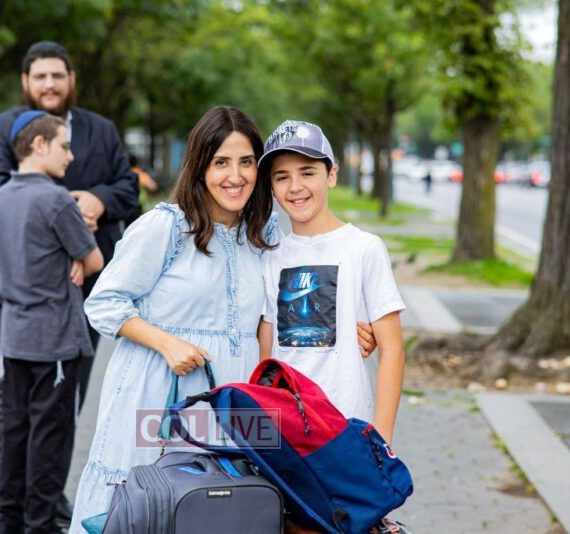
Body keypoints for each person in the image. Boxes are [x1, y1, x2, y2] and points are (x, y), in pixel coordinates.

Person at [69, 107, 377, 533]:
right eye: (221, 162)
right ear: (200, 167)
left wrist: (348, 331)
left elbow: (285, 310)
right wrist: (166, 343)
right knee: (149, 505)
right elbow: (104, 302)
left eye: (246, 162)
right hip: (160, 394)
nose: (235, 176)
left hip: (237, 401)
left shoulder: (266, 233)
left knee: (224, 507)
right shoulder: (166, 227)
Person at [0, 41, 138, 532]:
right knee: (12, 399)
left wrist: (97, 200)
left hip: (82, 292)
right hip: (19, 287)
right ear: (26, 82)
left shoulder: (100, 129)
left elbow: (127, 188)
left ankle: (43, 497)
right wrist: (67, 217)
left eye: (57, 76)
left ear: (72, 80)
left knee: (64, 400)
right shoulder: (1, 129)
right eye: (40, 76)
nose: (49, 84)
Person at [257, 120, 410, 534]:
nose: (295, 187)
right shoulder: (270, 256)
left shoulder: (363, 248)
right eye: (281, 177)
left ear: (332, 175)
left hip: (346, 430)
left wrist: (381, 440)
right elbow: (267, 353)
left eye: (307, 172)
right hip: (287, 434)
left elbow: (393, 349)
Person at [0, 111, 104, 533]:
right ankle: (40, 523)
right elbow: (95, 260)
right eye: (64, 146)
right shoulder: (55, 200)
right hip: (54, 340)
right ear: (39, 145)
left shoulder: (1, 196)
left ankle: (8, 518)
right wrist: (78, 255)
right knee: (49, 439)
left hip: (14, 338)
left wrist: (71, 253)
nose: (70, 156)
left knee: (15, 431)